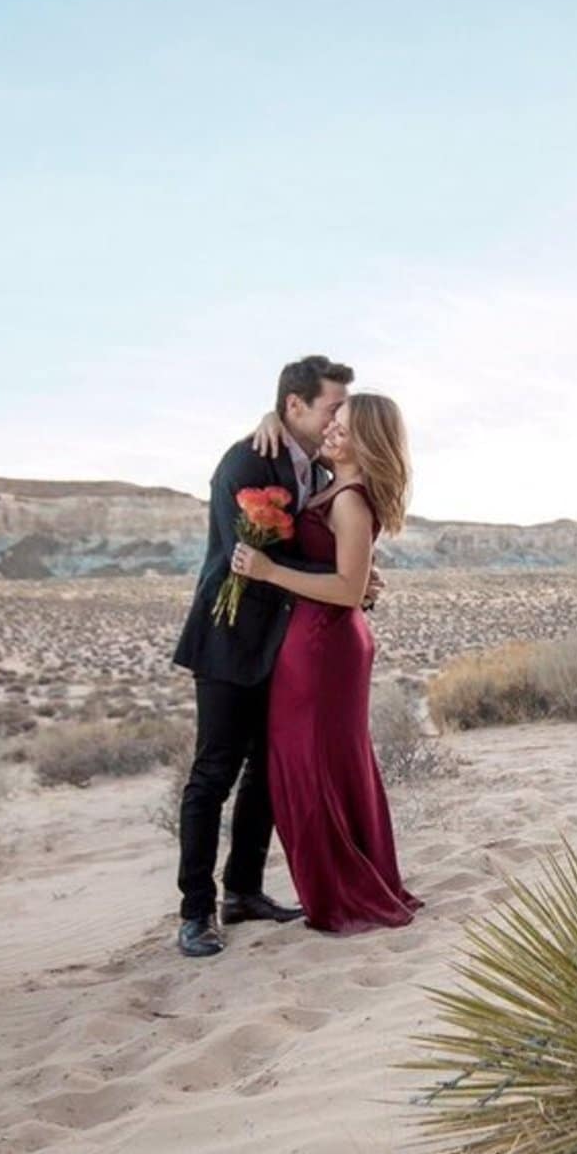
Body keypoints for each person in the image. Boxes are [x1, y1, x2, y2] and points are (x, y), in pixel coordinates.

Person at [169, 355, 380, 958]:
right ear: (295, 406)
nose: (341, 417)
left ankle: (243, 890)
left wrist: (356, 574)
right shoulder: (246, 461)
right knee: (212, 776)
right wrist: (349, 579)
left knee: (265, 770)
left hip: (284, 649)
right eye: (332, 407)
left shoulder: (314, 465)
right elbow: (250, 560)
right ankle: (194, 912)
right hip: (229, 639)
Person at [230, 393, 421, 933]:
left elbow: (347, 588)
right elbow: (290, 433)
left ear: (368, 440)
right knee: (316, 764)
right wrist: (269, 416)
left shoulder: (350, 500)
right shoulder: (329, 482)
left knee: (314, 767)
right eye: (332, 420)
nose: (332, 430)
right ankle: (342, 883)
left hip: (325, 645)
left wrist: (267, 571)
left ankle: (344, 891)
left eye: (344, 425)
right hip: (314, 643)